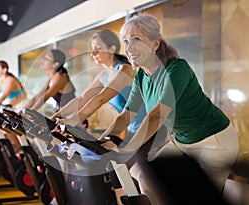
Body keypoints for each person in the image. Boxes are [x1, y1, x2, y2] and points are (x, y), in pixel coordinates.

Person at [100, 14, 239, 204]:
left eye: (136, 40)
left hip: (214, 141)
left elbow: (157, 116)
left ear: (155, 44)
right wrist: (102, 142)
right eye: (126, 41)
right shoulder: (141, 76)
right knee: (143, 172)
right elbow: (126, 115)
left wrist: (127, 149)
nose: (129, 48)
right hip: (181, 140)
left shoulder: (176, 69)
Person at [51, 30, 147, 205]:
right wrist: (54, 118)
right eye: (92, 49)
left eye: (97, 48)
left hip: (146, 127)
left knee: (126, 170)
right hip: (129, 129)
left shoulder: (125, 70)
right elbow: (82, 99)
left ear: (111, 48)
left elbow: (102, 97)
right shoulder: (103, 74)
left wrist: (73, 120)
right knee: (113, 166)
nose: (93, 53)